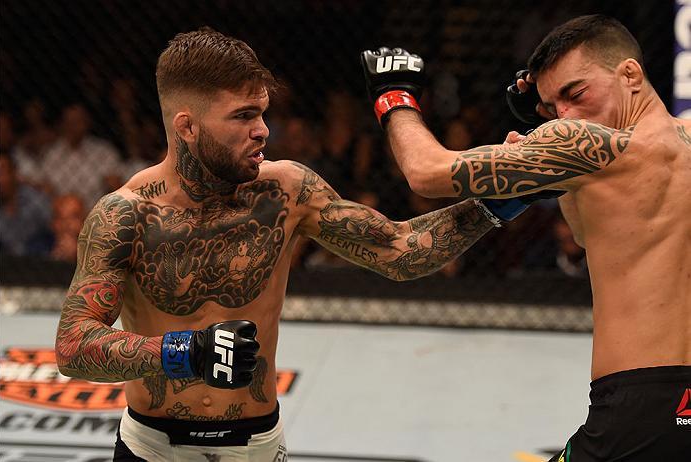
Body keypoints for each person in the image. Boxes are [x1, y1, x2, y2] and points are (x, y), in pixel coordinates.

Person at [54, 28, 551, 462]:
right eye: (243, 116)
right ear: (187, 126)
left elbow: (400, 250)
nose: (262, 131)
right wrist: (187, 352)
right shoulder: (125, 216)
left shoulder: (285, 190)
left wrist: (499, 201)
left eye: (263, 113)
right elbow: (74, 348)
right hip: (153, 448)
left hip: (255, 445)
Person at [360, 14, 690, 461]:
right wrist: (552, 162)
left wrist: (393, 96)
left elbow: (426, 172)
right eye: (554, 107)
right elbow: (600, 238)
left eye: (575, 93)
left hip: (639, 402)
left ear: (630, 73)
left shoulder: (580, 141)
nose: (567, 115)